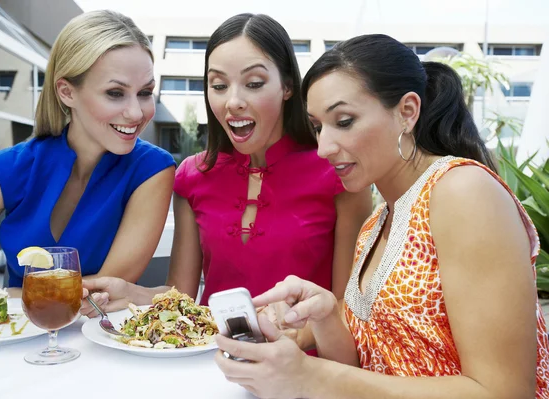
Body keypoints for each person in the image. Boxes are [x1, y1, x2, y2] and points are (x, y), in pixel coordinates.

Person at [213, 34, 549, 399]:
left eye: (344, 121)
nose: (324, 148)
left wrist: (311, 374)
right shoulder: (377, 223)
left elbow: (504, 391)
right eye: (318, 127)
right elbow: (370, 371)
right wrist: (326, 317)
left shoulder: (462, 191)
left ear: (407, 112)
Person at [80, 14, 371, 314]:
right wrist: (127, 292)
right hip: (212, 356)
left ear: (287, 86)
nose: (233, 102)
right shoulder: (192, 176)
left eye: (254, 83)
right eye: (218, 85)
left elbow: (346, 306)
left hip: (300, 357)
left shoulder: (338, 171)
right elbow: (180, 297)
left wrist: (293, 331)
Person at [0, 10, 175, 291]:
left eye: (145, 92)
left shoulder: (152, 169)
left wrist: (3, 297)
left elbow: (107, 289)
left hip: (96, 334)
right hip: (14, 333)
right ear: (67, 92)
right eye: (115, 93)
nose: (136, 112)